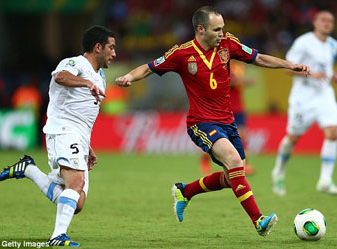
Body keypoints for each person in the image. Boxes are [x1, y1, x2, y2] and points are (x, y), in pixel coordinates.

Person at [116, 6, 310, 236]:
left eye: (223, 29)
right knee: (235, 161)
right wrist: (129, 76)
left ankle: (185, 191)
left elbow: (258, 58)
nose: (222, 33)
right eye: (217, 29)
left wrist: (289, 65)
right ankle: (259, 221)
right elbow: (149, 68)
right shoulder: (181, 54)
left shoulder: (229, 44)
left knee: (233, 177)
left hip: (228, 122)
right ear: (201, 29)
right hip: (201, 122)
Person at [0, 25, 116, 246]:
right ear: (98, 47)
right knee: (76, 183)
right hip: (62, 130)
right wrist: (86, 82)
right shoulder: (76, 64)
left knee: (77, 202)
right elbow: (61, 76)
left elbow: (84, 113)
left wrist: (87, 145)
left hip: (78, 136)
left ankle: (29, 170)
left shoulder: (101, 76)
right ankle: (58, 236)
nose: (114, 53)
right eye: (111, 47)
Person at [271, 10, 337, 196]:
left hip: (324, 95)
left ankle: (325, 181)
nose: (327, 23)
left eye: (330, 21)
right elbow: (288, 68)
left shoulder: (334, 45)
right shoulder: (303, 42)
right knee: (293, 138)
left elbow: (325, 67)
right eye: (324, 20)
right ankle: (278, 171)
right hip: (303, 97)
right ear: (315, 23)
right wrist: (309, 73)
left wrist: (332, 75)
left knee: (333, 132)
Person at [200, 60, 255, 175]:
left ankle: (244, 165)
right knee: (217, 138)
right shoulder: (221, 65)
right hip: (225, 108)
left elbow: (236, 82)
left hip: (238, 107)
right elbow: (226, 82)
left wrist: (242, 82)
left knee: (242, 136)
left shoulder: (240, 66)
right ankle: (205, 159)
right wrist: (244, 81)